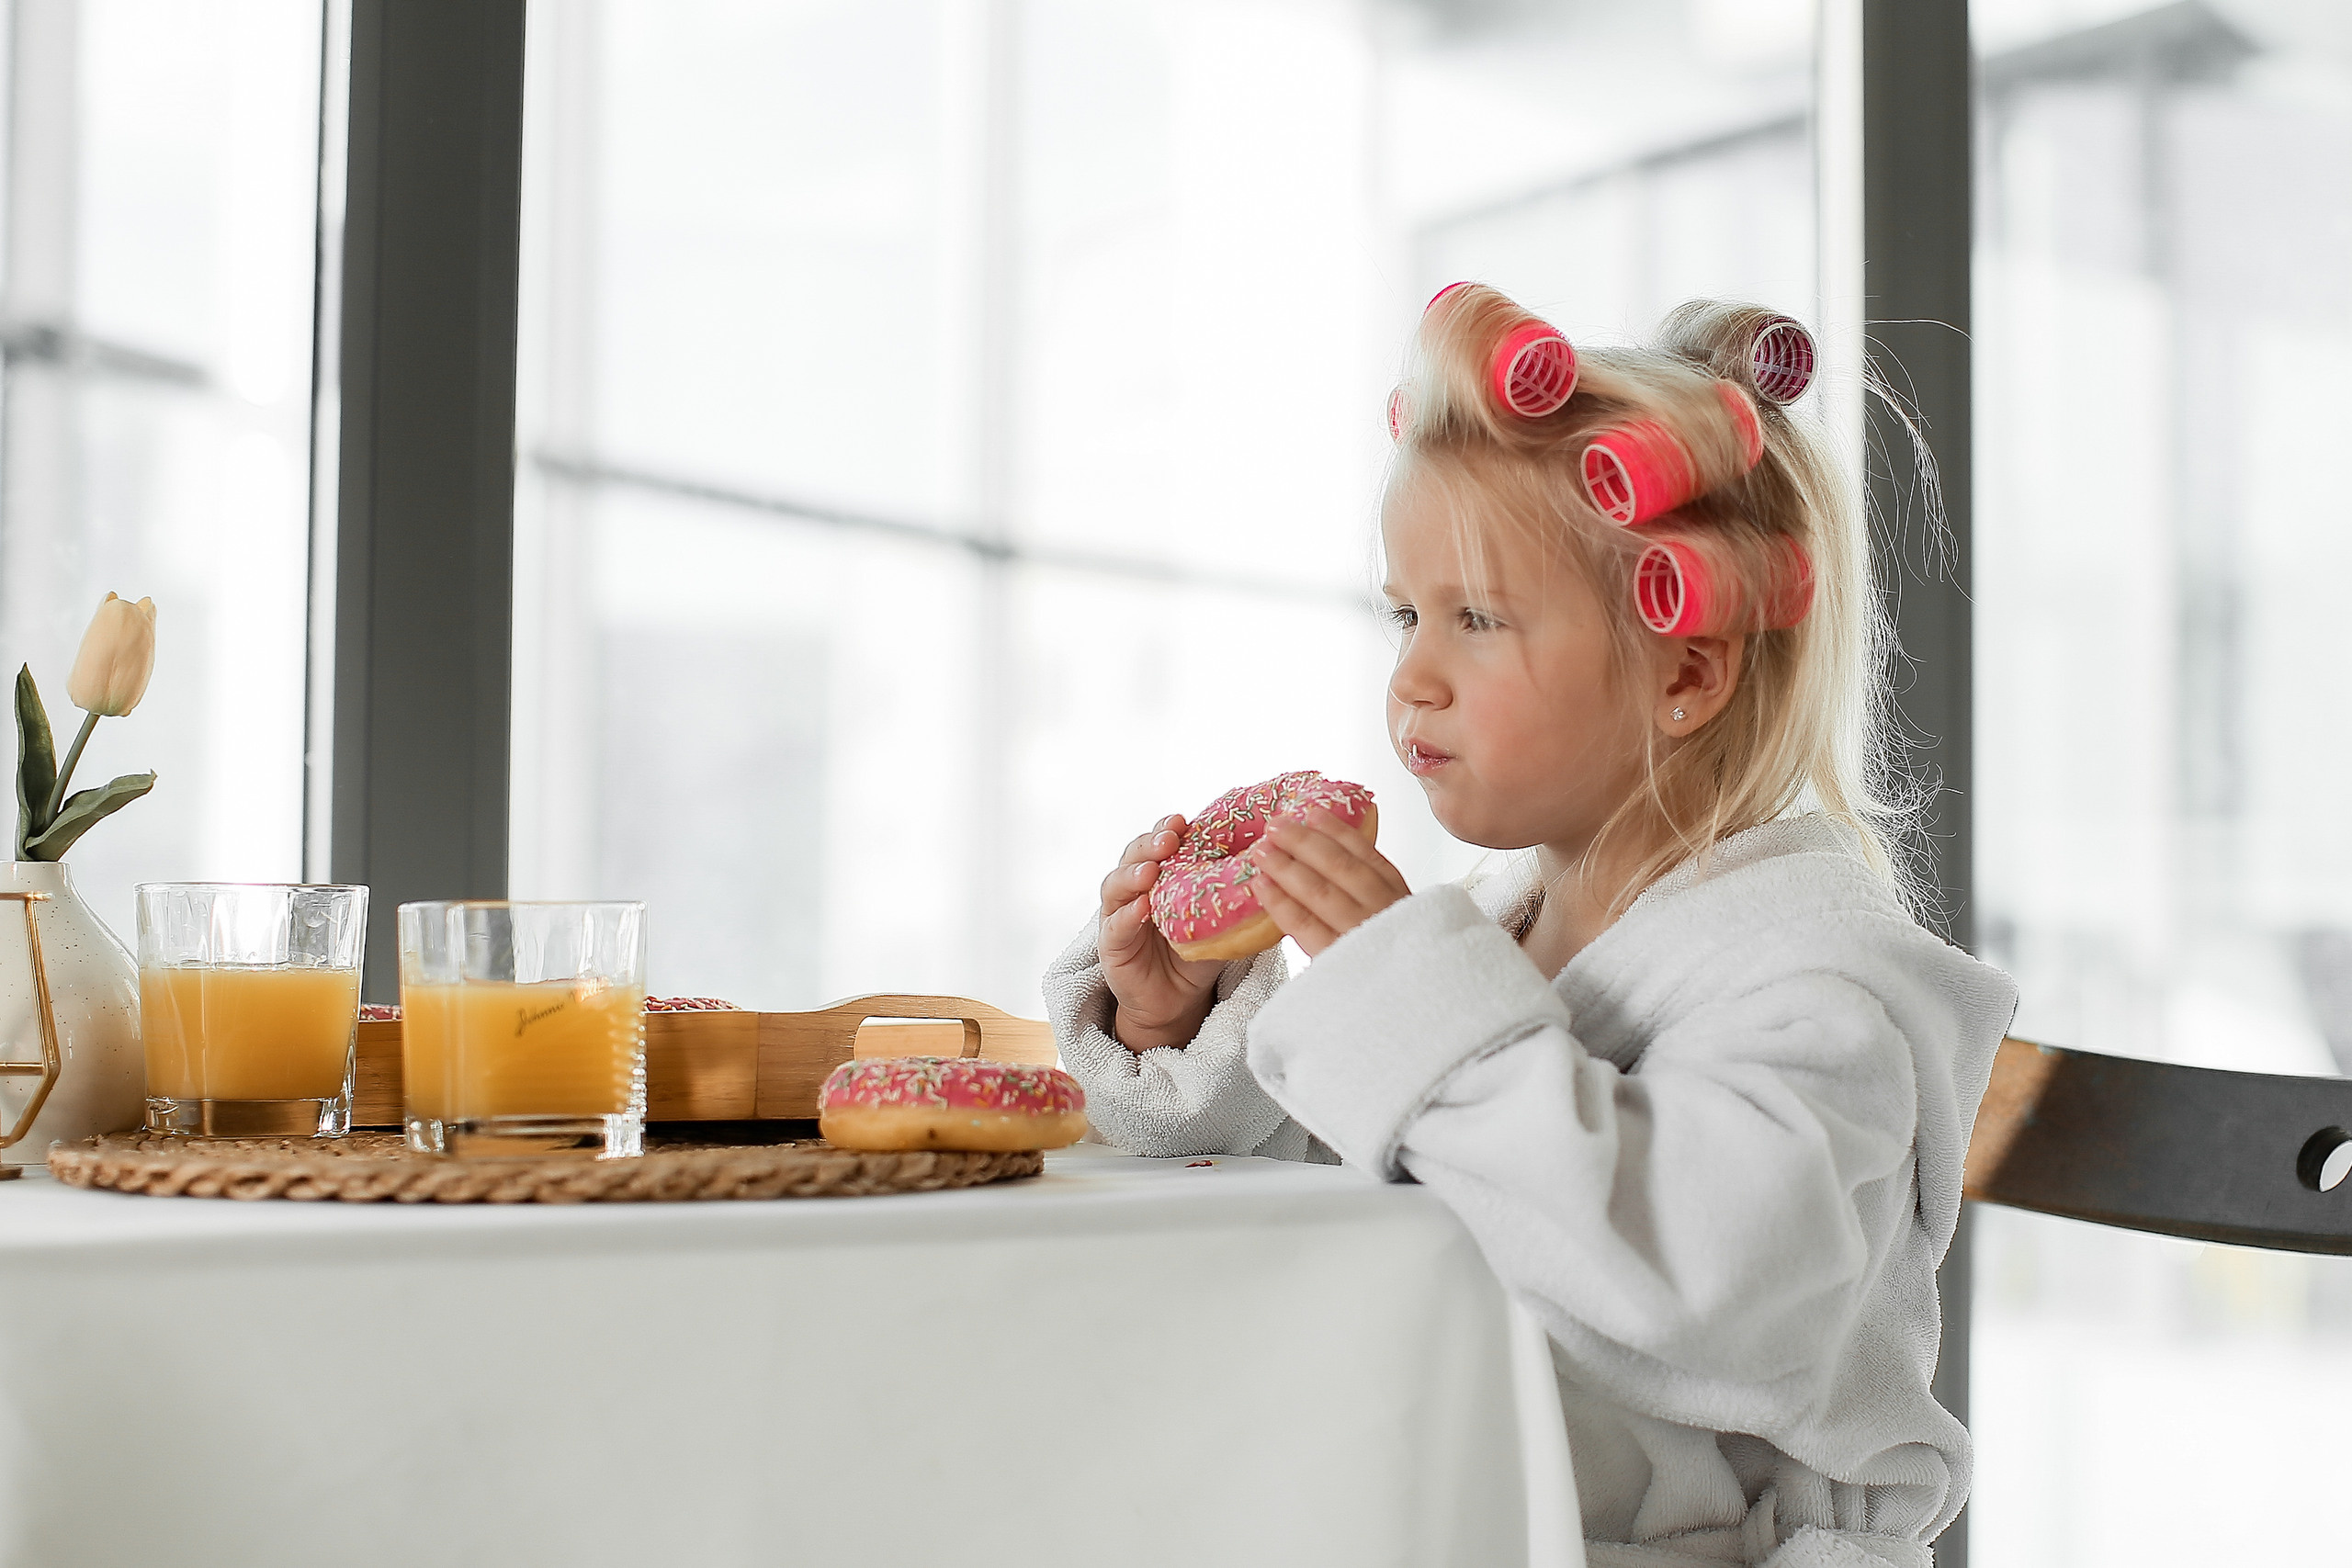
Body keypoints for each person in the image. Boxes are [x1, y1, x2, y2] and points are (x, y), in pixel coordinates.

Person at [1042, 284, 2017, 1568]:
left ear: (1684, 673)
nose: (1413, 678)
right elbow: (1417, 1152)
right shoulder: (1496, 943)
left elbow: (1701, 1275)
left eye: (1478, 620)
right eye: (1406, 613)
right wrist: (1182, 1031)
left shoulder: (1816, 989)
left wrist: (1410, 1007)